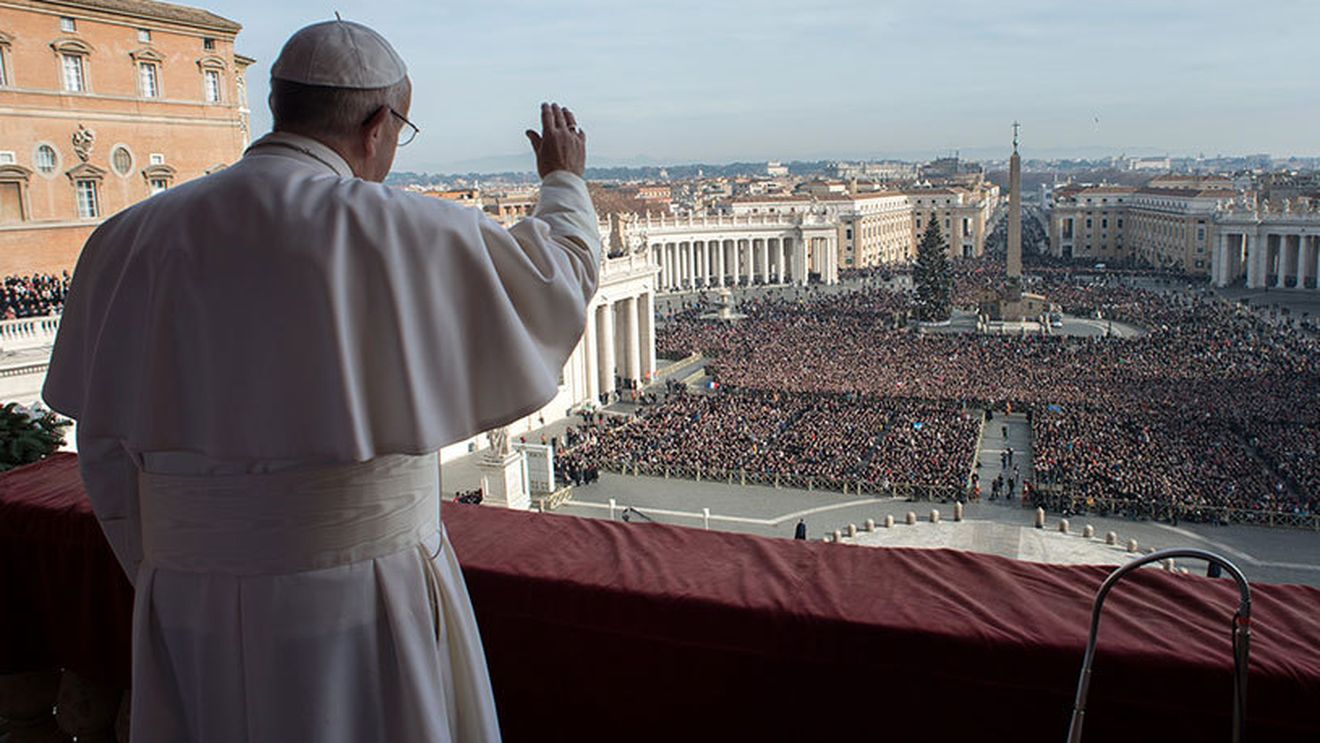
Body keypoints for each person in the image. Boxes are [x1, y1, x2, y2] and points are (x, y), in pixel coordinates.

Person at [43, 19, 598, 743]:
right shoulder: (402, 228)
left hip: (186, 601)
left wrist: (180, 563)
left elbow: (105, 449)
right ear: (378, 124)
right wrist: (563, 181)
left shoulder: (122, 238)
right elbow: (559, 281)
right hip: (366, 598)